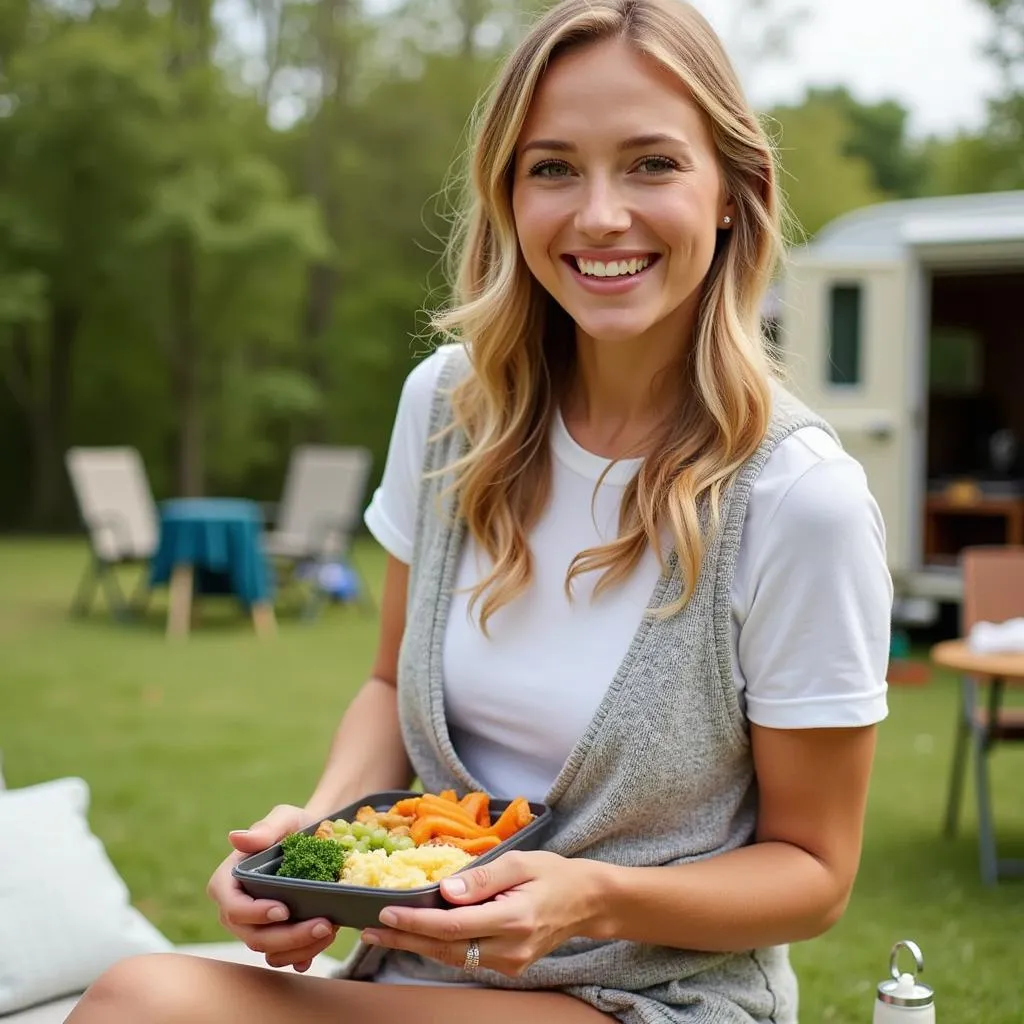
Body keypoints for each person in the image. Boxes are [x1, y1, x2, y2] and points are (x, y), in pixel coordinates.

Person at [66, 0, 892, 1020]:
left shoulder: (797, 499)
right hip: (414, 975)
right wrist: (315, 843)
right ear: (505, 195)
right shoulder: (451, 411)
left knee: (143, 1000)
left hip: (648, 996)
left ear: (732, 191)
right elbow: (384, 682)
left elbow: (815, 872)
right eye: (552, 167)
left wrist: (594, 896)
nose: (598, 215)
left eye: (650, 164)